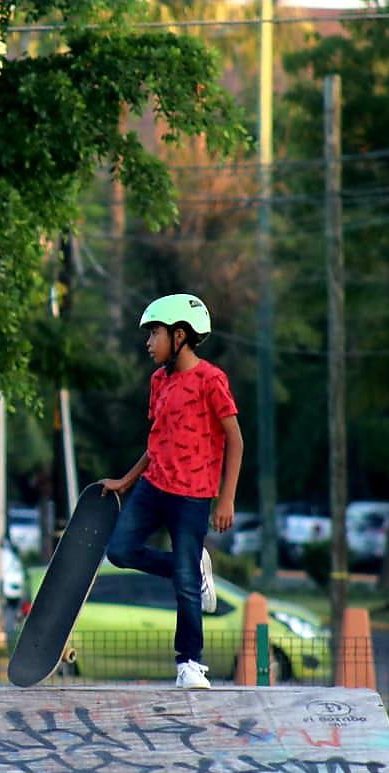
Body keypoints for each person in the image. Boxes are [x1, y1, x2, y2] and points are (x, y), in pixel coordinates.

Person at [100, 293, 242, 690]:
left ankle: (190, 663)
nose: (148, 343)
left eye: (154, 334)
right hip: (153, 487)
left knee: (183, 584)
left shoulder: (211, 380)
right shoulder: (158, 380)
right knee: (120, 551)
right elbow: (156, 441)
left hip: (193, 495)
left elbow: (235, 439)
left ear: (180, 336)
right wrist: (126, 481)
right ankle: (191, 565)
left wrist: (225, 498)